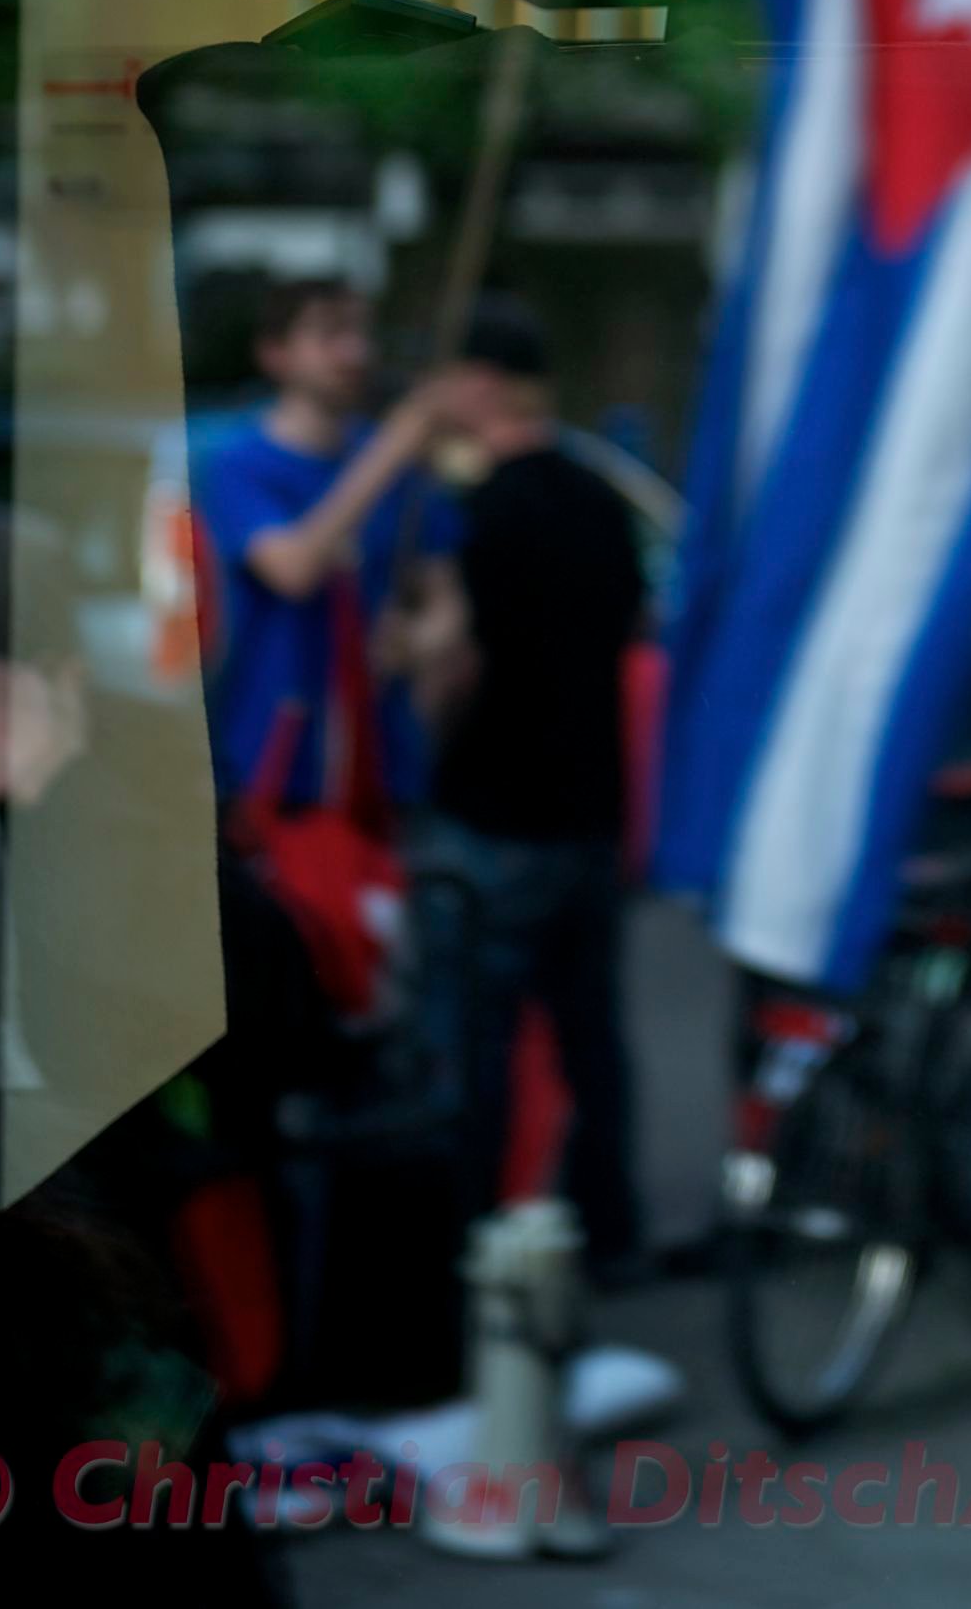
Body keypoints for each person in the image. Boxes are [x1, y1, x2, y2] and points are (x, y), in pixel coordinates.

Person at [415, 297, 650, 1281]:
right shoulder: (602, 503)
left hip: (494, 815)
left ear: (480, 384)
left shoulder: (479, 514)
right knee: (593, 1039)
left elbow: (453, 663)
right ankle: (611, 1234)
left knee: (471, 1047)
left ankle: (468, 1245)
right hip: (589, 815)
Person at [193, 276, 465, 814]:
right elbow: (293, 570)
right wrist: (392, 451)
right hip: (270, 764)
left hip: (379, 765)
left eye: (361, 333)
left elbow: (448, 600)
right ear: (275, 354)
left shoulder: (392, 464)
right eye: (329, 334)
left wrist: (416, 640)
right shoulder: (239, 465)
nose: (354, 352)